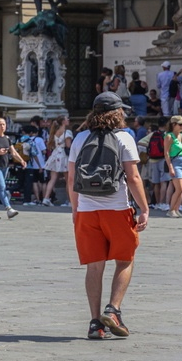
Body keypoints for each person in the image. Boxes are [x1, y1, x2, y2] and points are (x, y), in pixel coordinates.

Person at [67, 92, 149, 340]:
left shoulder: (80, 137)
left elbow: (71, 178)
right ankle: (113, 310)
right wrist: (144, 208)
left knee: (94, 266)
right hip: (117, 208)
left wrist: (75, 209)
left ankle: (95, 324)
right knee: (125, 259)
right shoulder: (125, 137)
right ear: (118, 113)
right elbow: (133, 178)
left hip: (87, 211)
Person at [140, 117, 170, 212]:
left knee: (156, 183)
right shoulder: (167, 135)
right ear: (166, 125)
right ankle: (162, 202)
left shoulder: (153, 134)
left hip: (152, 160)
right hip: (163, 160)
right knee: (164, 182)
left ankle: (157, 203)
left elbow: (140, 142)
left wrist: (148, 151)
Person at [42, 115, 73, 206]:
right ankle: (70, 201)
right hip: (64, 156)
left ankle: (46, 198)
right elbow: (68, 146)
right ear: (63, 121)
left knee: (53, 179)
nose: (68, 120)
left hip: (55, 155)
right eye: (67, 119)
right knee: (68, 180)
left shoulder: (55, 131)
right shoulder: (67, 132)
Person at [164, 115, 182, 218]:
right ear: (173, 125)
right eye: (180, 124)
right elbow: (166, 153)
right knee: (179, 188)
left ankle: (176, 209)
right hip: (175, 162)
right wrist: (170, 167)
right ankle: (171, 210)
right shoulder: (169, 136)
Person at [20, 125, 47, 206]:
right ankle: (44, 199)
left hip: (30, 164)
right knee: (43, 182)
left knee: (34, 182)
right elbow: (44, 151)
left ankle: (37, 199)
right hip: (40, 164)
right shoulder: (39, 139)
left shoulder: (23, 139)